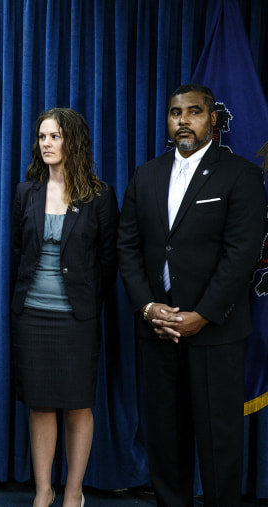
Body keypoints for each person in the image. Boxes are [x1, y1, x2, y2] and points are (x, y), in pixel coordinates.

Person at [117, 84, 266, 506]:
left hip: (214, 332)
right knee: (165, 440)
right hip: (157, 331)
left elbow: (242, 254)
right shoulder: (146, 174)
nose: (183, 120)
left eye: (194, 112)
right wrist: (148, 307)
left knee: (219, 442)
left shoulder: (241, 175)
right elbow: (127, 247)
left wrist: (202, 313)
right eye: (175, 112)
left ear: (213, 120)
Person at [11, 108, 118, 507]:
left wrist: (86, 299)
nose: (47, 144)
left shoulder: (99, 195)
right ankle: (44, 491)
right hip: (32, 314)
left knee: (76, 405)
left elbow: (109, 260)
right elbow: (19, 252)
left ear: (73, 141)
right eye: (42, 137)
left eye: (55, 136)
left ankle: (73, 492)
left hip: (77, 318)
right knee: (39, 404)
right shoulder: (27, 192)